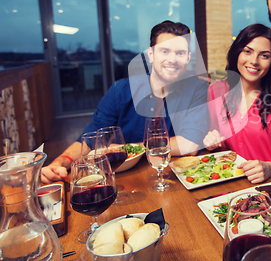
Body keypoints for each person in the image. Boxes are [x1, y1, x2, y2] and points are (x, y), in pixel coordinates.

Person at [41, 20, 209, 183]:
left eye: (180, 53)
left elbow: (190, 144)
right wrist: (59, 163)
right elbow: (90, 140)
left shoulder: (197, 89)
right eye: (164, 51)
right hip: (127, 178)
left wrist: (128, 148)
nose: (172, 59)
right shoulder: (120, 91)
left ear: (188, 58)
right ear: (151, 54)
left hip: (173, 177)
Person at [203, 24, 271, 183]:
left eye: (264, 55)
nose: (254, 61)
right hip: (225, 186)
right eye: (247, 51)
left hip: (268, 190)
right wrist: (211, 143)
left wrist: (269, 168)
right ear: (237, 52)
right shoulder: (216, 91)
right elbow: (216, 142)